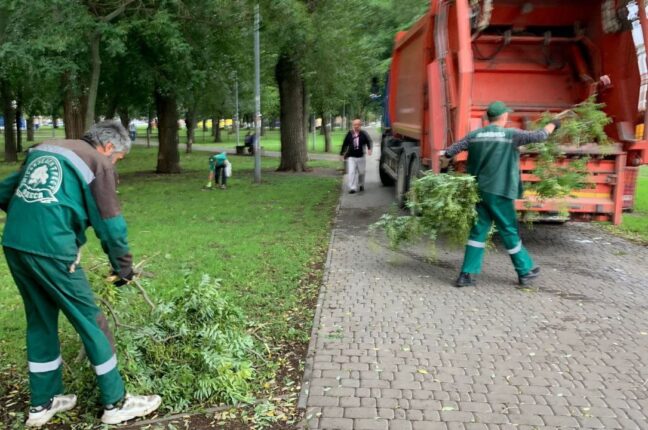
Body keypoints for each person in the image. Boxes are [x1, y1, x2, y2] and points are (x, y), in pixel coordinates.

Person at [0, 121, 161, 427]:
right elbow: (111, 224)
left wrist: (31, 217)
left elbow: (6, 190)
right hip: (53, 250)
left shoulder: (48, 148)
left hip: (16, 245)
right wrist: (123, 267)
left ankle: (42, 404)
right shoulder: (98, 163)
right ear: (109, 147)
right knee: (93, 323)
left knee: (40, 320)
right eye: (119, 159)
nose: (115, 165)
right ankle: (116, 403)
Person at [442, 101, 560, 288]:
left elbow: (450, 151)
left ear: (488, 118)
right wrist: (553, 124)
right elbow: (540, 135)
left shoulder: (475, 135)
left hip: (479, 191)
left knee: (478, 231)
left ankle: (466, 275)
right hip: (501, 190)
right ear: (504, 117)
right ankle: (524, 271)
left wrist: (447, 155)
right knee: (508, 230)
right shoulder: (511, 135)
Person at [340, 119, 373, 193]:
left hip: (361, 157)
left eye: (358, 125)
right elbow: (345, 144)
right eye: (355, 125)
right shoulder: (349, 134)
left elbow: (368, 141)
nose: (356, 126)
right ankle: (352, 188)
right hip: (351, 157)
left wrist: (369, 149)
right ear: (353, 125)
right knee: (351, 172)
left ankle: (361, 184)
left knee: (361, 172)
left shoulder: (363, 133)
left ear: (360, 125)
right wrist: (342, 153)